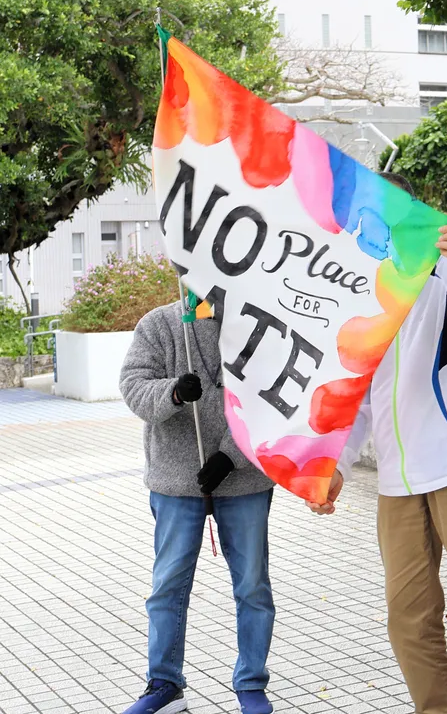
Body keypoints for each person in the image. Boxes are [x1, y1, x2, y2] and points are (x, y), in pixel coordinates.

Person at [307, 171, 447, 714]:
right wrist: (336, 463)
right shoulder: (358, 292)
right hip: (397, 481)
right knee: (408, 617)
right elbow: (355, 393)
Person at [119, 299, 277, 714]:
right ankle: (165, 683)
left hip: (245, 477)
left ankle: (251, 683)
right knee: (168, 586)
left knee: (253, 585)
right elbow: (133, 387)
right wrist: (171, 392)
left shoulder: (256, 323)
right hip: (175, 477)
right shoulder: (157, 324)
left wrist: (231, 456)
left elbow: (273, 397)